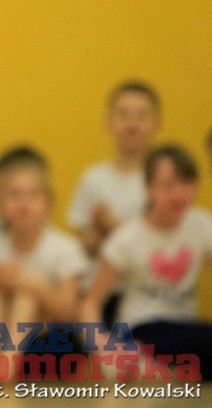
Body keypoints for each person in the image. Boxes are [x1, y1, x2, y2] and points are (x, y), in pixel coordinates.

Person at [79, 144, 212, 378]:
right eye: (168, 185)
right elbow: (90, 302)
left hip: (185, 326)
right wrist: (103, 348)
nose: (179, 194)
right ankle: (142, 365)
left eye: (187, 184)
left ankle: (162, 373)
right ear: (149, 188)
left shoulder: (202, 225)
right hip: (141, 329)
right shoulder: (127, 238)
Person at [0, 147, 88, 373]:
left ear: (49, 205)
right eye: (14, 195)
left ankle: (9, 362)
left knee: (25, 293)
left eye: (33, 195)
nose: (23, 203)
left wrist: (35, 285)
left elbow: (69, 311)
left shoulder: (64, 246)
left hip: (50, 340)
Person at [67, 81, 161, 257]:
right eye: (123, 115)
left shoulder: (165, 180)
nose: (132, 124)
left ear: (157, 124)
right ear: (108, 122)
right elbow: (82, 241)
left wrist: (116, 229)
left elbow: (168, 242)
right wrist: (101, 233)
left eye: (141, 116)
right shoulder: (92, 178)